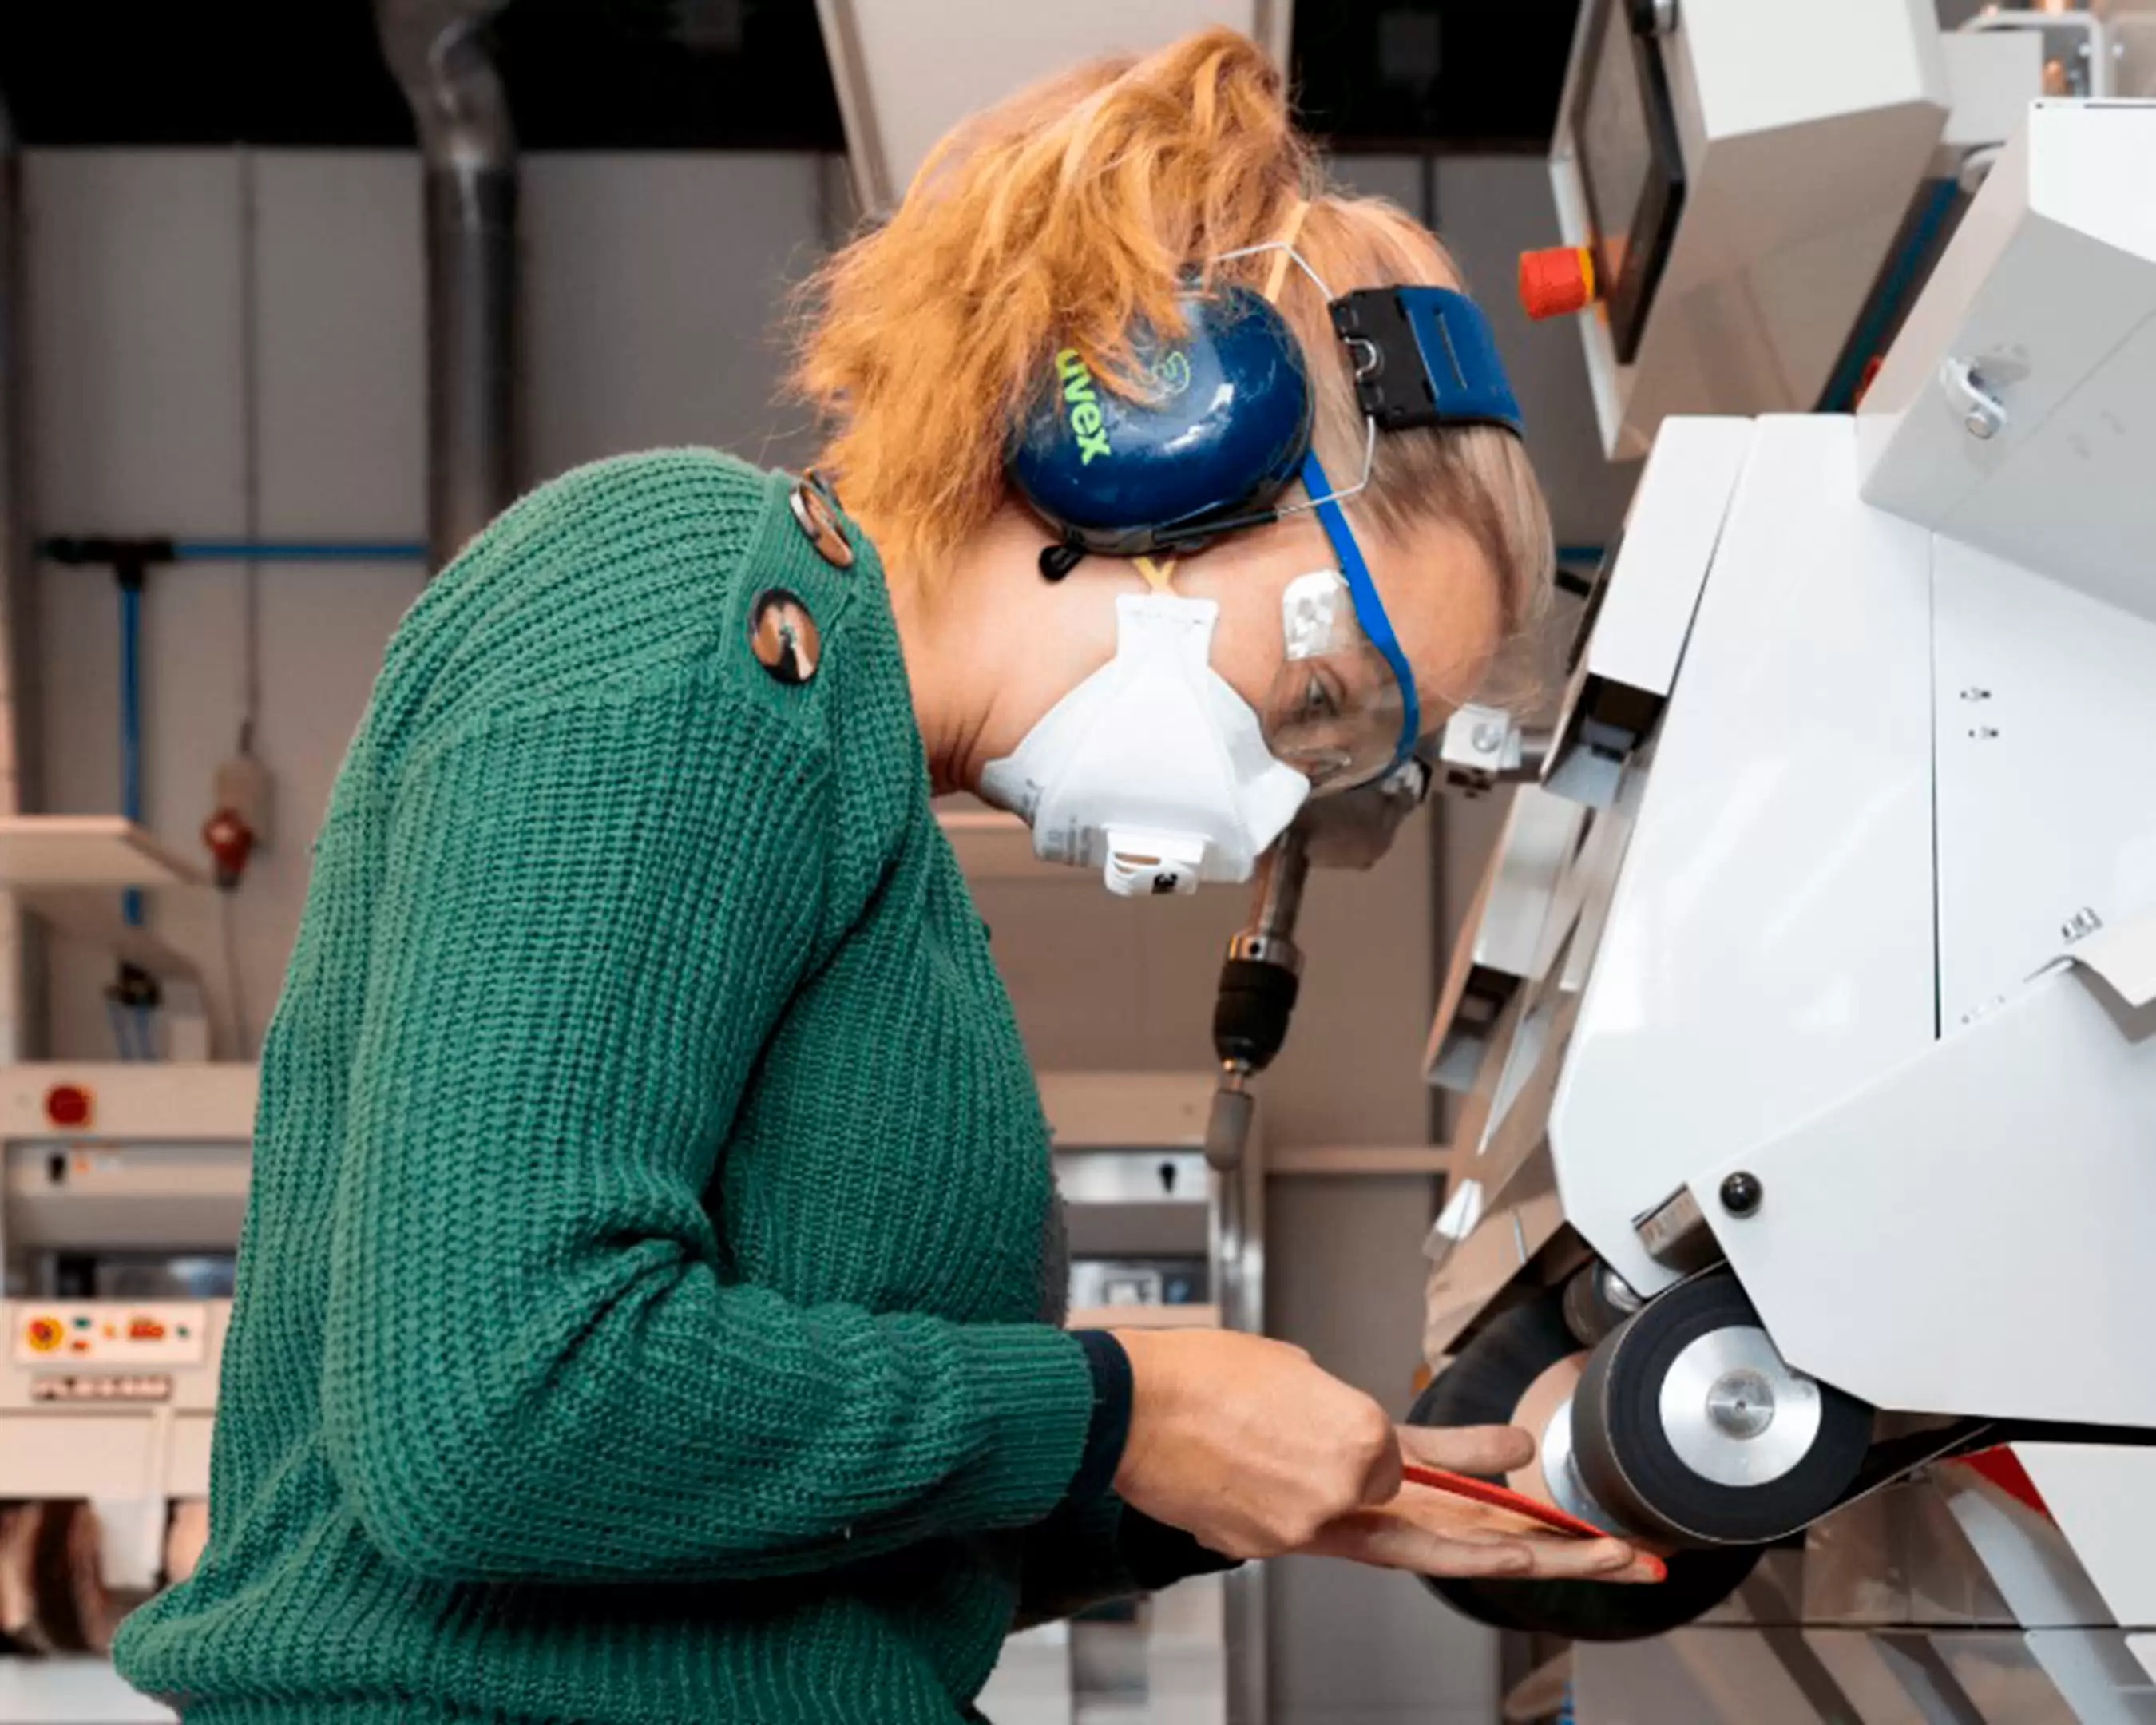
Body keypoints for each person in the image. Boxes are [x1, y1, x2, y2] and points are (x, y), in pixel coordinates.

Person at [113, 27, 1655, 1725]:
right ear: (1151, 431)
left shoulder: (872, 811)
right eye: (1317, 699)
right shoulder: (682, 610)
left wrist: (1247, 1485)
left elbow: (798, 1559)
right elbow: (491, 1416)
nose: (1284, 795)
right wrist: (1122, 1404)